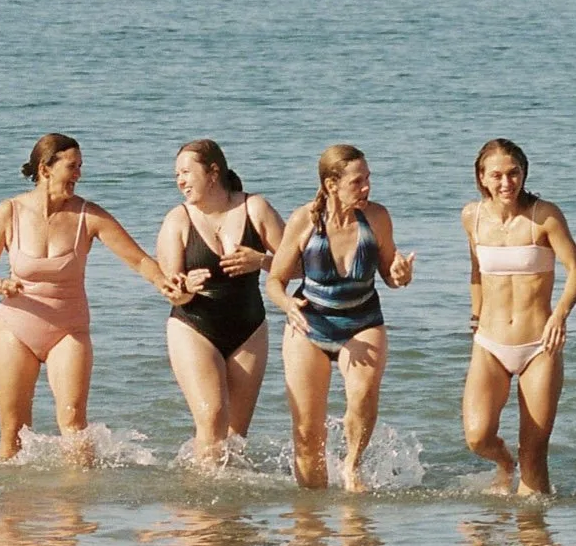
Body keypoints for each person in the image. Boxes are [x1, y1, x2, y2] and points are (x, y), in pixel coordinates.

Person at [0, 134, 175, 458]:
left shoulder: (88, 215)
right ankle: (11, 507)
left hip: (68, 330)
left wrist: (163, 282)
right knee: (13, 429)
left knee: (74, 424)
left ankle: (76, 506)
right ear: (45, 168)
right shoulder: (9, 211)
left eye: (80, 166)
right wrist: (0, 285)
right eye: (72, 166)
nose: (78, 173)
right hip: (15, 329)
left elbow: (138, 259)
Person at [267, 145, 415, 490]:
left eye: (368, 179)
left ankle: (352, 467)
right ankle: (310, 519)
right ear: (332, 184)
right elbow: (275, 280)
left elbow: (391, 276)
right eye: (358, 181)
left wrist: (401, 275)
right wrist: (288, 305)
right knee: (306, 432)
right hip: (309, 323)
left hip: (362, 322)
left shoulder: (376, 217)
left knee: (362, 396)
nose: (367, 188)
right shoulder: (305, 219)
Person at [461, 138, 576, 496]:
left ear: (524, 173)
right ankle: (503, 463)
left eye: (514, 173)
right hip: (489, 343)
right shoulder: (472, 217)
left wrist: (559, 315)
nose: (506, 183)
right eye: (496, 175)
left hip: (538, 346)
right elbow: (476, 270)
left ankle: (534, 545)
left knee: (534, 454)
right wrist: (475, 316)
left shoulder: (544, 216)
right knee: (477, 436)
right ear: (481, 177)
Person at [155, 139, 286, 467]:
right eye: (177, 176)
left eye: (186, 172)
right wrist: (186, 287)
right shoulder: (177, 219)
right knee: (212, 417)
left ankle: (228, 514)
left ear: (213, 172)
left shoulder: (255, 208)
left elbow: (298, 265)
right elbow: (170, 288)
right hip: (193, 324)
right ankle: (203, 507)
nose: (180, 181)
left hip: (249, 328)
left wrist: (261, 261)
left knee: (235, 436)